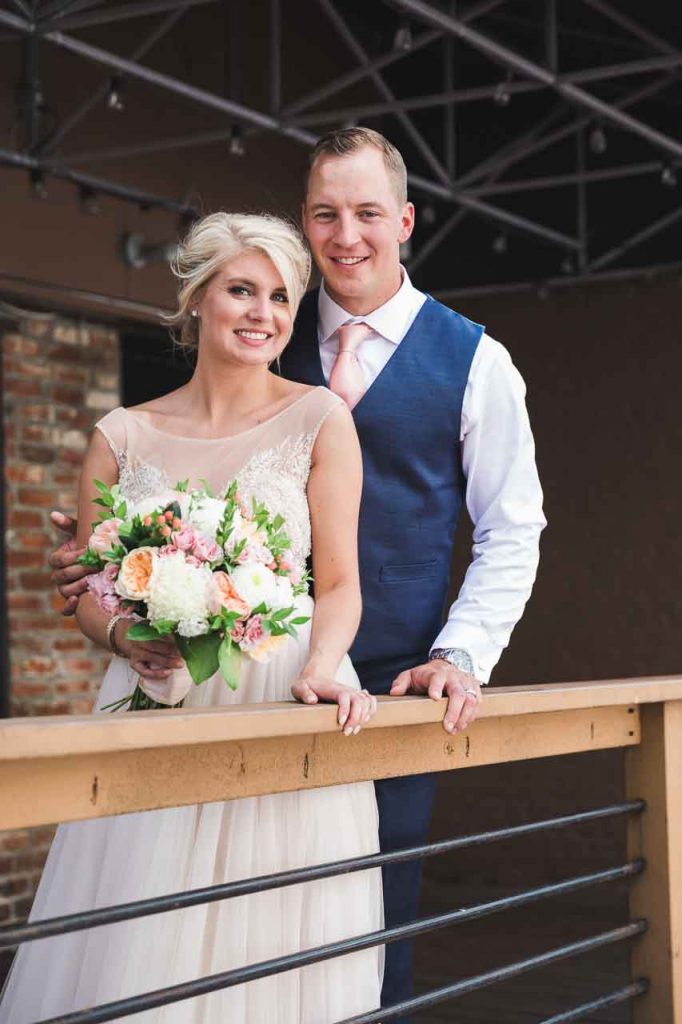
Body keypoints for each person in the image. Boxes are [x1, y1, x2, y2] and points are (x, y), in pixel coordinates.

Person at [49, 128, 546, 1019]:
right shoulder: (264, 329)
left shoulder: (477, 361)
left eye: (366, 214)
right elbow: (178, 473)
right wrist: (116, 552)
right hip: (200, 682)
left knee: (361, 928)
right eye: (325, 214)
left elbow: (512, 530)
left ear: (405, 221)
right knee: (175, 925)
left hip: (382, 683)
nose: (345, 236)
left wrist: (460, 655)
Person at [1, 213, 384, 1022]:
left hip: (281, 696)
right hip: (154, 700)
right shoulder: (120, 436)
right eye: (242, 290)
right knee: (141, 934)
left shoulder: (321, 420)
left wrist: (322, 668)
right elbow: (91, 591)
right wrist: (124, 635)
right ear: (198, 298)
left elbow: (341, 584)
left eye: (280, 297)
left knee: (276, 938)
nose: (262, 313)